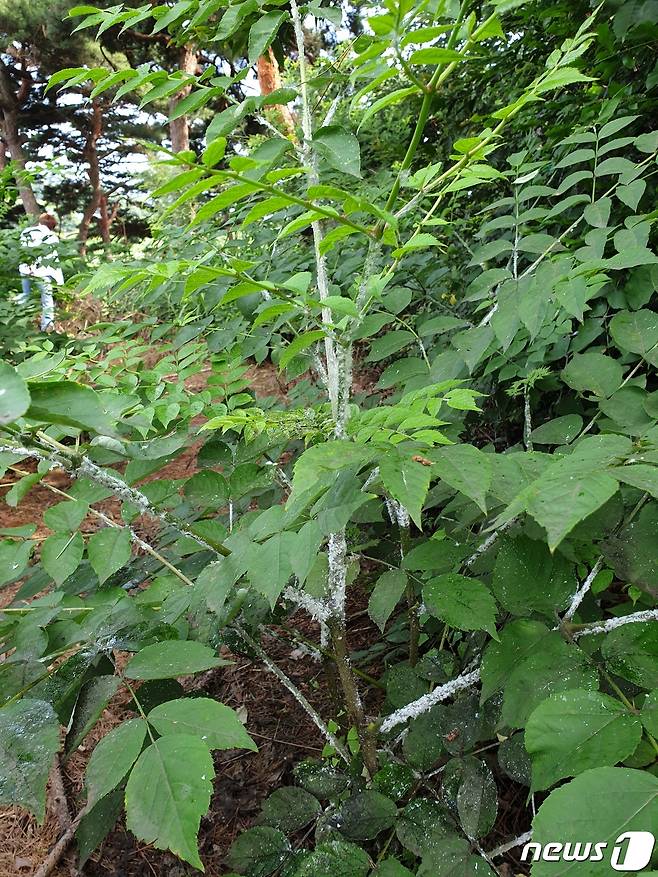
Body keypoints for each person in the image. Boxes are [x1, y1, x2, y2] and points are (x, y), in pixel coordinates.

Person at [18, 213, 63, 331]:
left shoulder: (26, 232)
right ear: (52, 226)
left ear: (40, 222)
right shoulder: (52, 237)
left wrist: (29, 267)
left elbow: (23, 250)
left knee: (25, 296)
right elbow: (53, 259)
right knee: (47, 301)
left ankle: (20, 323)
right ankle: (47, 326)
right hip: (43, 272)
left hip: (25, 270)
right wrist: (59, 281)